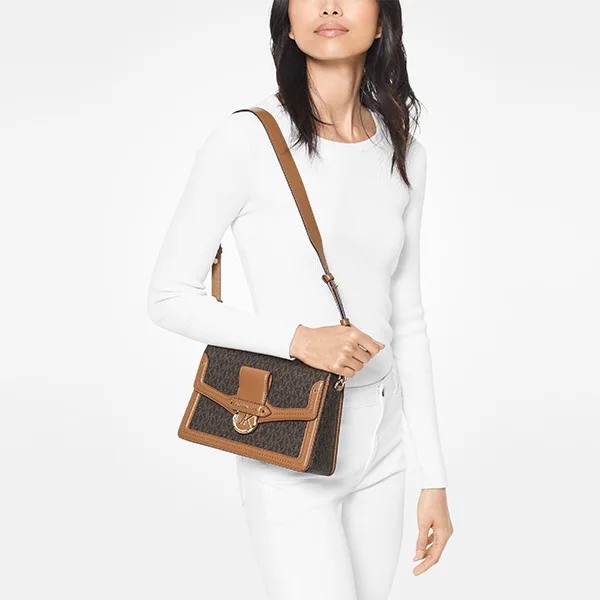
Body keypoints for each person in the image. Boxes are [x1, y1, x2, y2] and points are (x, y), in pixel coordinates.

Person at [147, 1, 454, 598]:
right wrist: (299, 340)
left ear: (382, 20)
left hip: (383, 442)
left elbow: (408, 320)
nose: (330, 6)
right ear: (287, 20)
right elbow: (168, 296)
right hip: (288, 434)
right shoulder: (248, 139)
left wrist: (433, 478)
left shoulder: (404, 153)